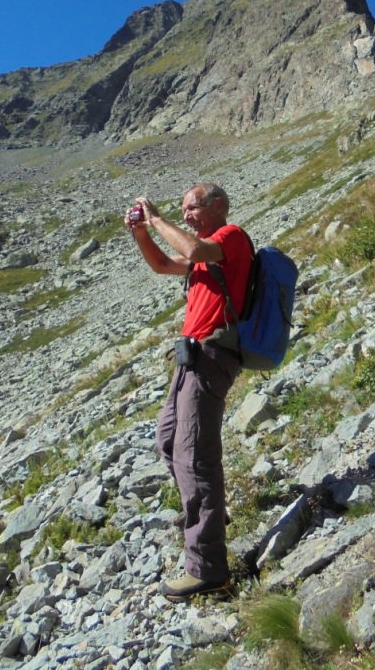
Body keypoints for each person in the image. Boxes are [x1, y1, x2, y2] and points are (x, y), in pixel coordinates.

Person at [125, 183, 252, 601]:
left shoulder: (229, 238)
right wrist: (142, 232)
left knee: (195, 458)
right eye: (181, 211)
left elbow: (195, 251)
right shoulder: (204, 255)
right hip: (191, 360)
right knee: (168, 442)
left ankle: (208, 569)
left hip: (212, 356)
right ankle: (210, 514)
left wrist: (158, 217)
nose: (186, 216)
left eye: (192, 208)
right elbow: (163, 264)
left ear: (217, 205)